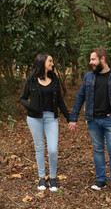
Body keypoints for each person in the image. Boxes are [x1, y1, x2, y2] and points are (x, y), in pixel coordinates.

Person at [69, 47, 111, 194]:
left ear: (102, 59)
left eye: (93, 59)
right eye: (91, 59)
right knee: (98, 150)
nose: (91, 62)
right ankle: (101, 180)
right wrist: (73, 118)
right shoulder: (88, 77)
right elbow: (80, 97)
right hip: (93, 121)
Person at [20, 52, 69, 191]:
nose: (52, 64)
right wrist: (31, 106)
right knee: (40, 147)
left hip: (51, 118)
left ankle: (52, 178)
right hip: (34, 119)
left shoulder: (54, 80)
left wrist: (68, 117)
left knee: (53, 150)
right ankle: (42, 178)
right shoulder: (31, 80)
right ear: (42, 63)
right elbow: (22, 98)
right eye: (50, 61)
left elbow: (59, 100)